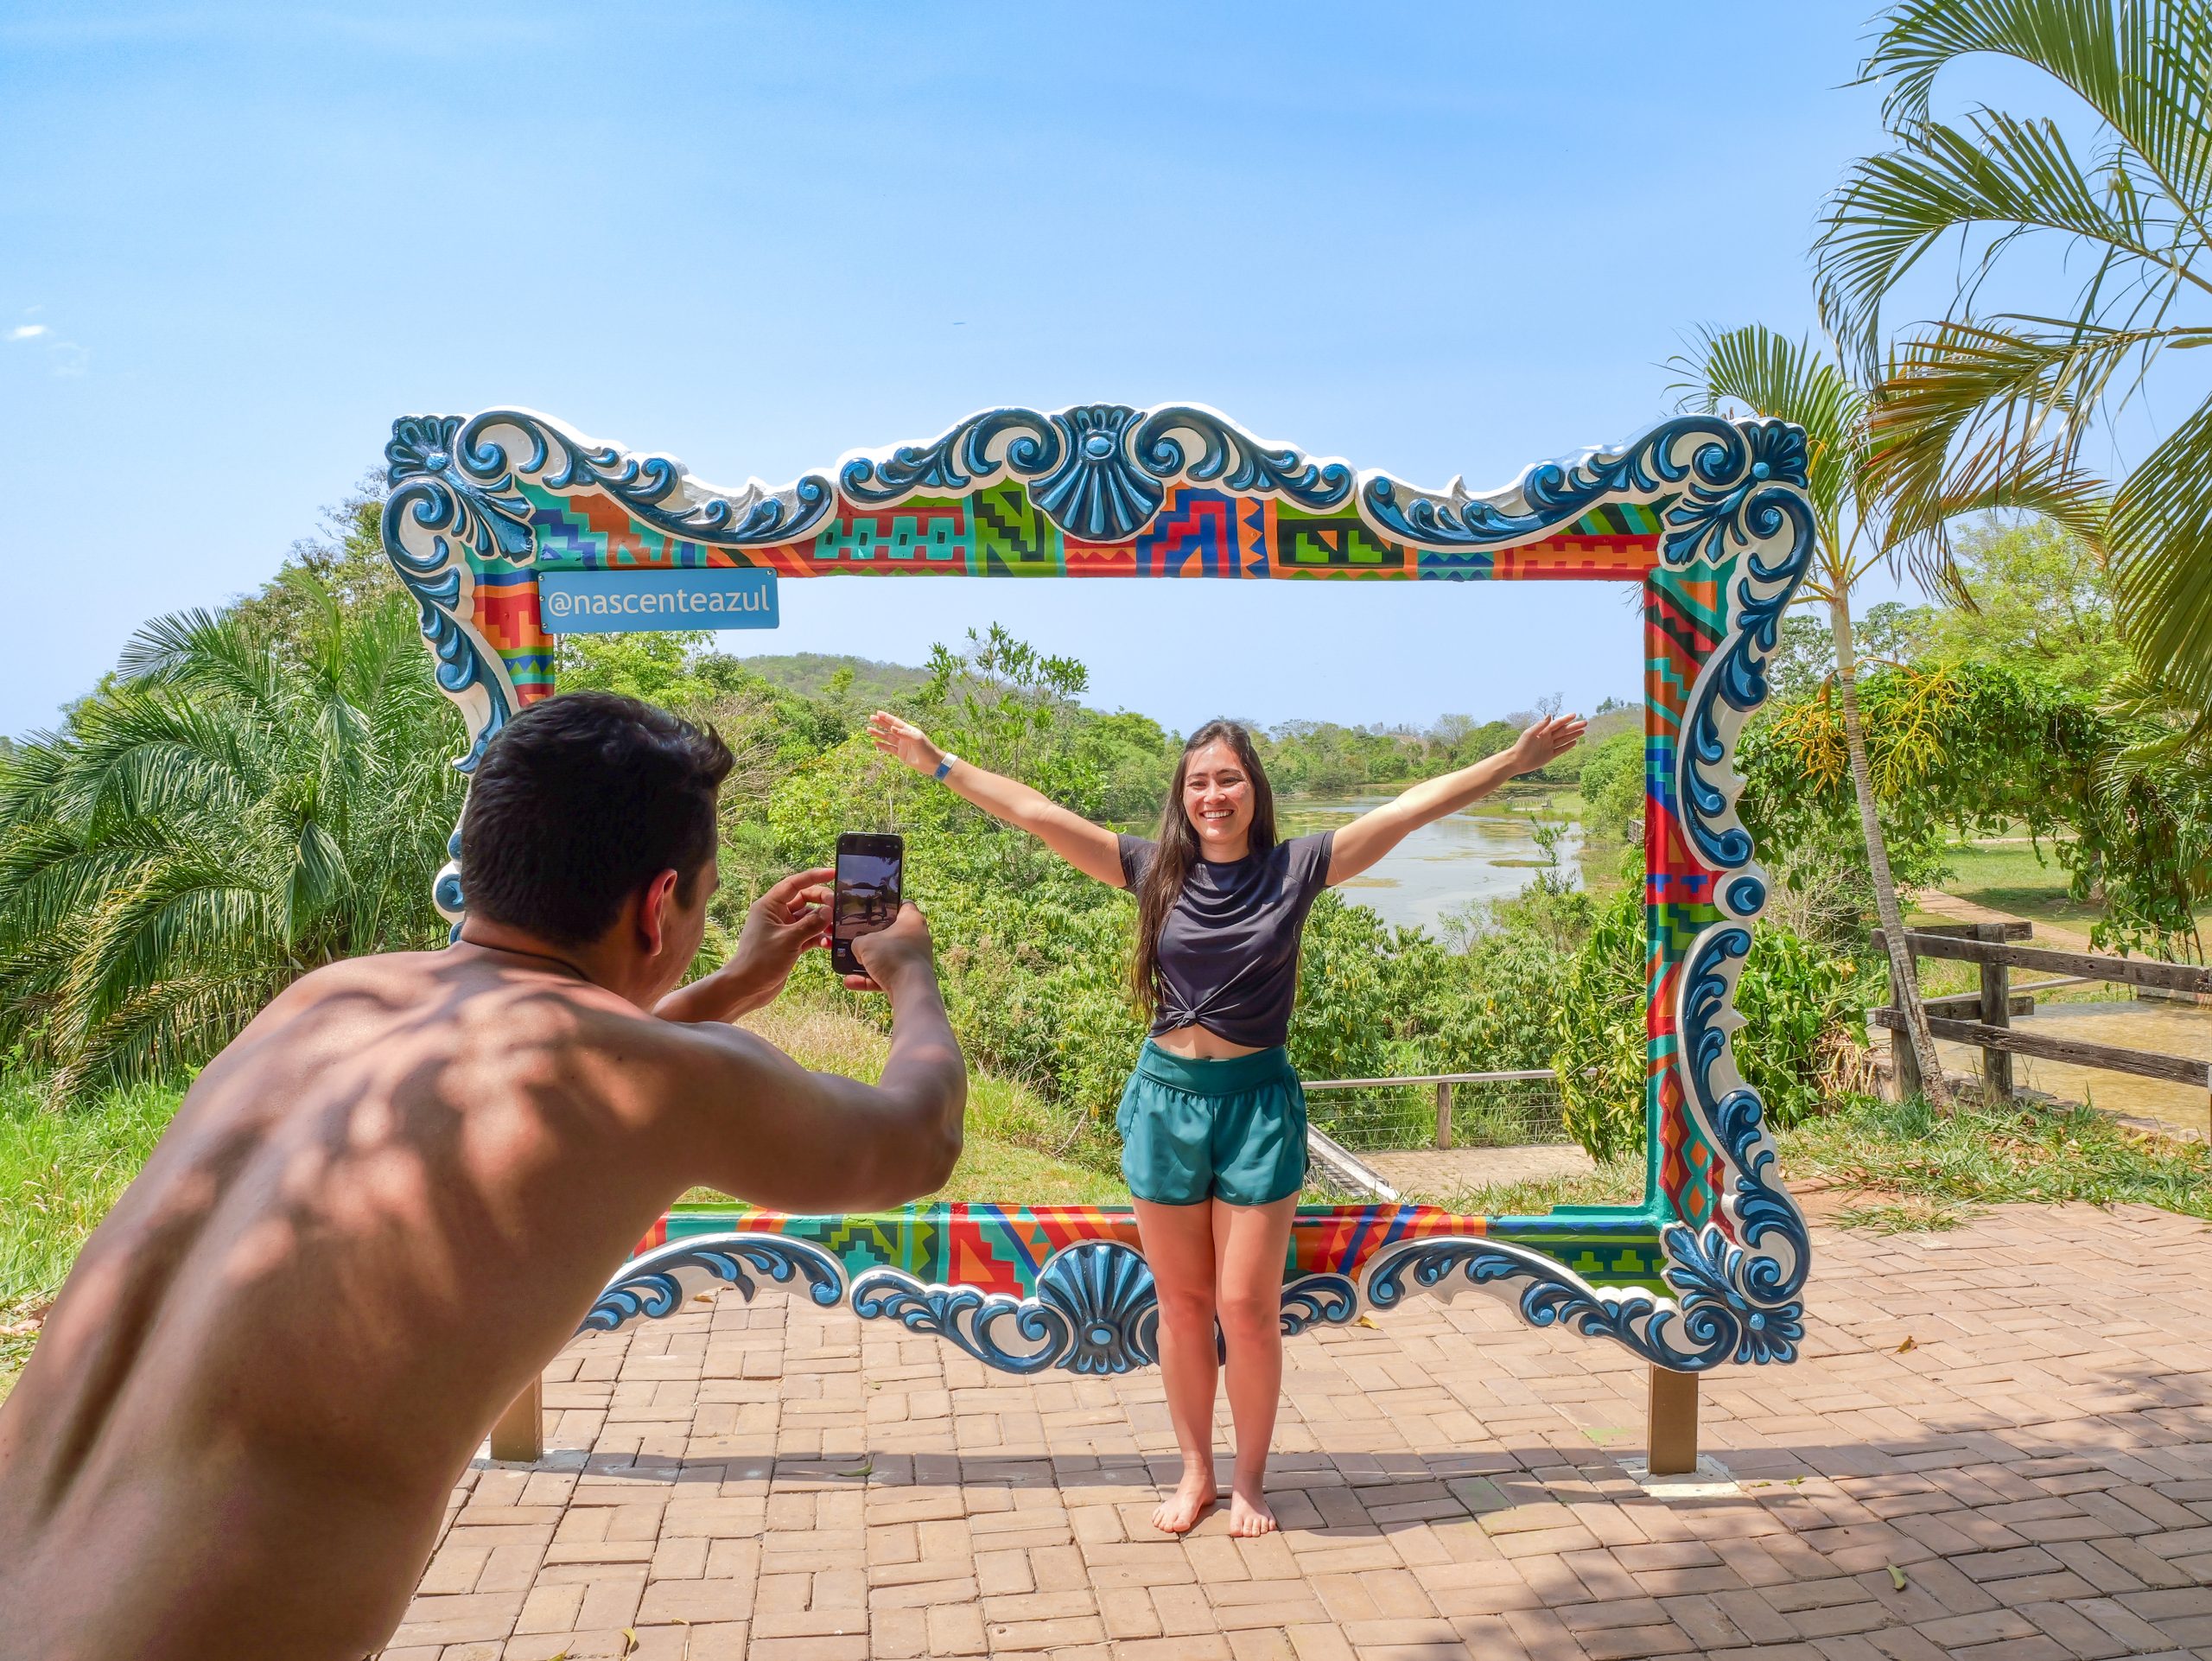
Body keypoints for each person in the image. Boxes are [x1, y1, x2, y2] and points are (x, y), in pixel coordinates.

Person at [0, 690, 967, 1661]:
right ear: (656, 904)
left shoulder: (326, 999)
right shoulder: (661, 1080)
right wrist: (910, 971)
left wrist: (729, 988)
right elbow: (917, 1139)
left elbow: (549, 1076)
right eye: (702, 902)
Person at [869, 705, 1585, 1537]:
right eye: (1199, 782)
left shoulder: (1297, 868)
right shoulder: (1150, 870)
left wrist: (1513, 760)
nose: (1214, 795)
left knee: (1244, 1306)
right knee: (1181, 1305)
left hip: (1257, 1108)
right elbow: (1036, 812)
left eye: (1229, 780)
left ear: (1254, 791)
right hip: (1166, 1102)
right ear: (1183, 795)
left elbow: (1408, 809)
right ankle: (1195, 1471)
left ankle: (1249, 1480)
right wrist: (938, 762)